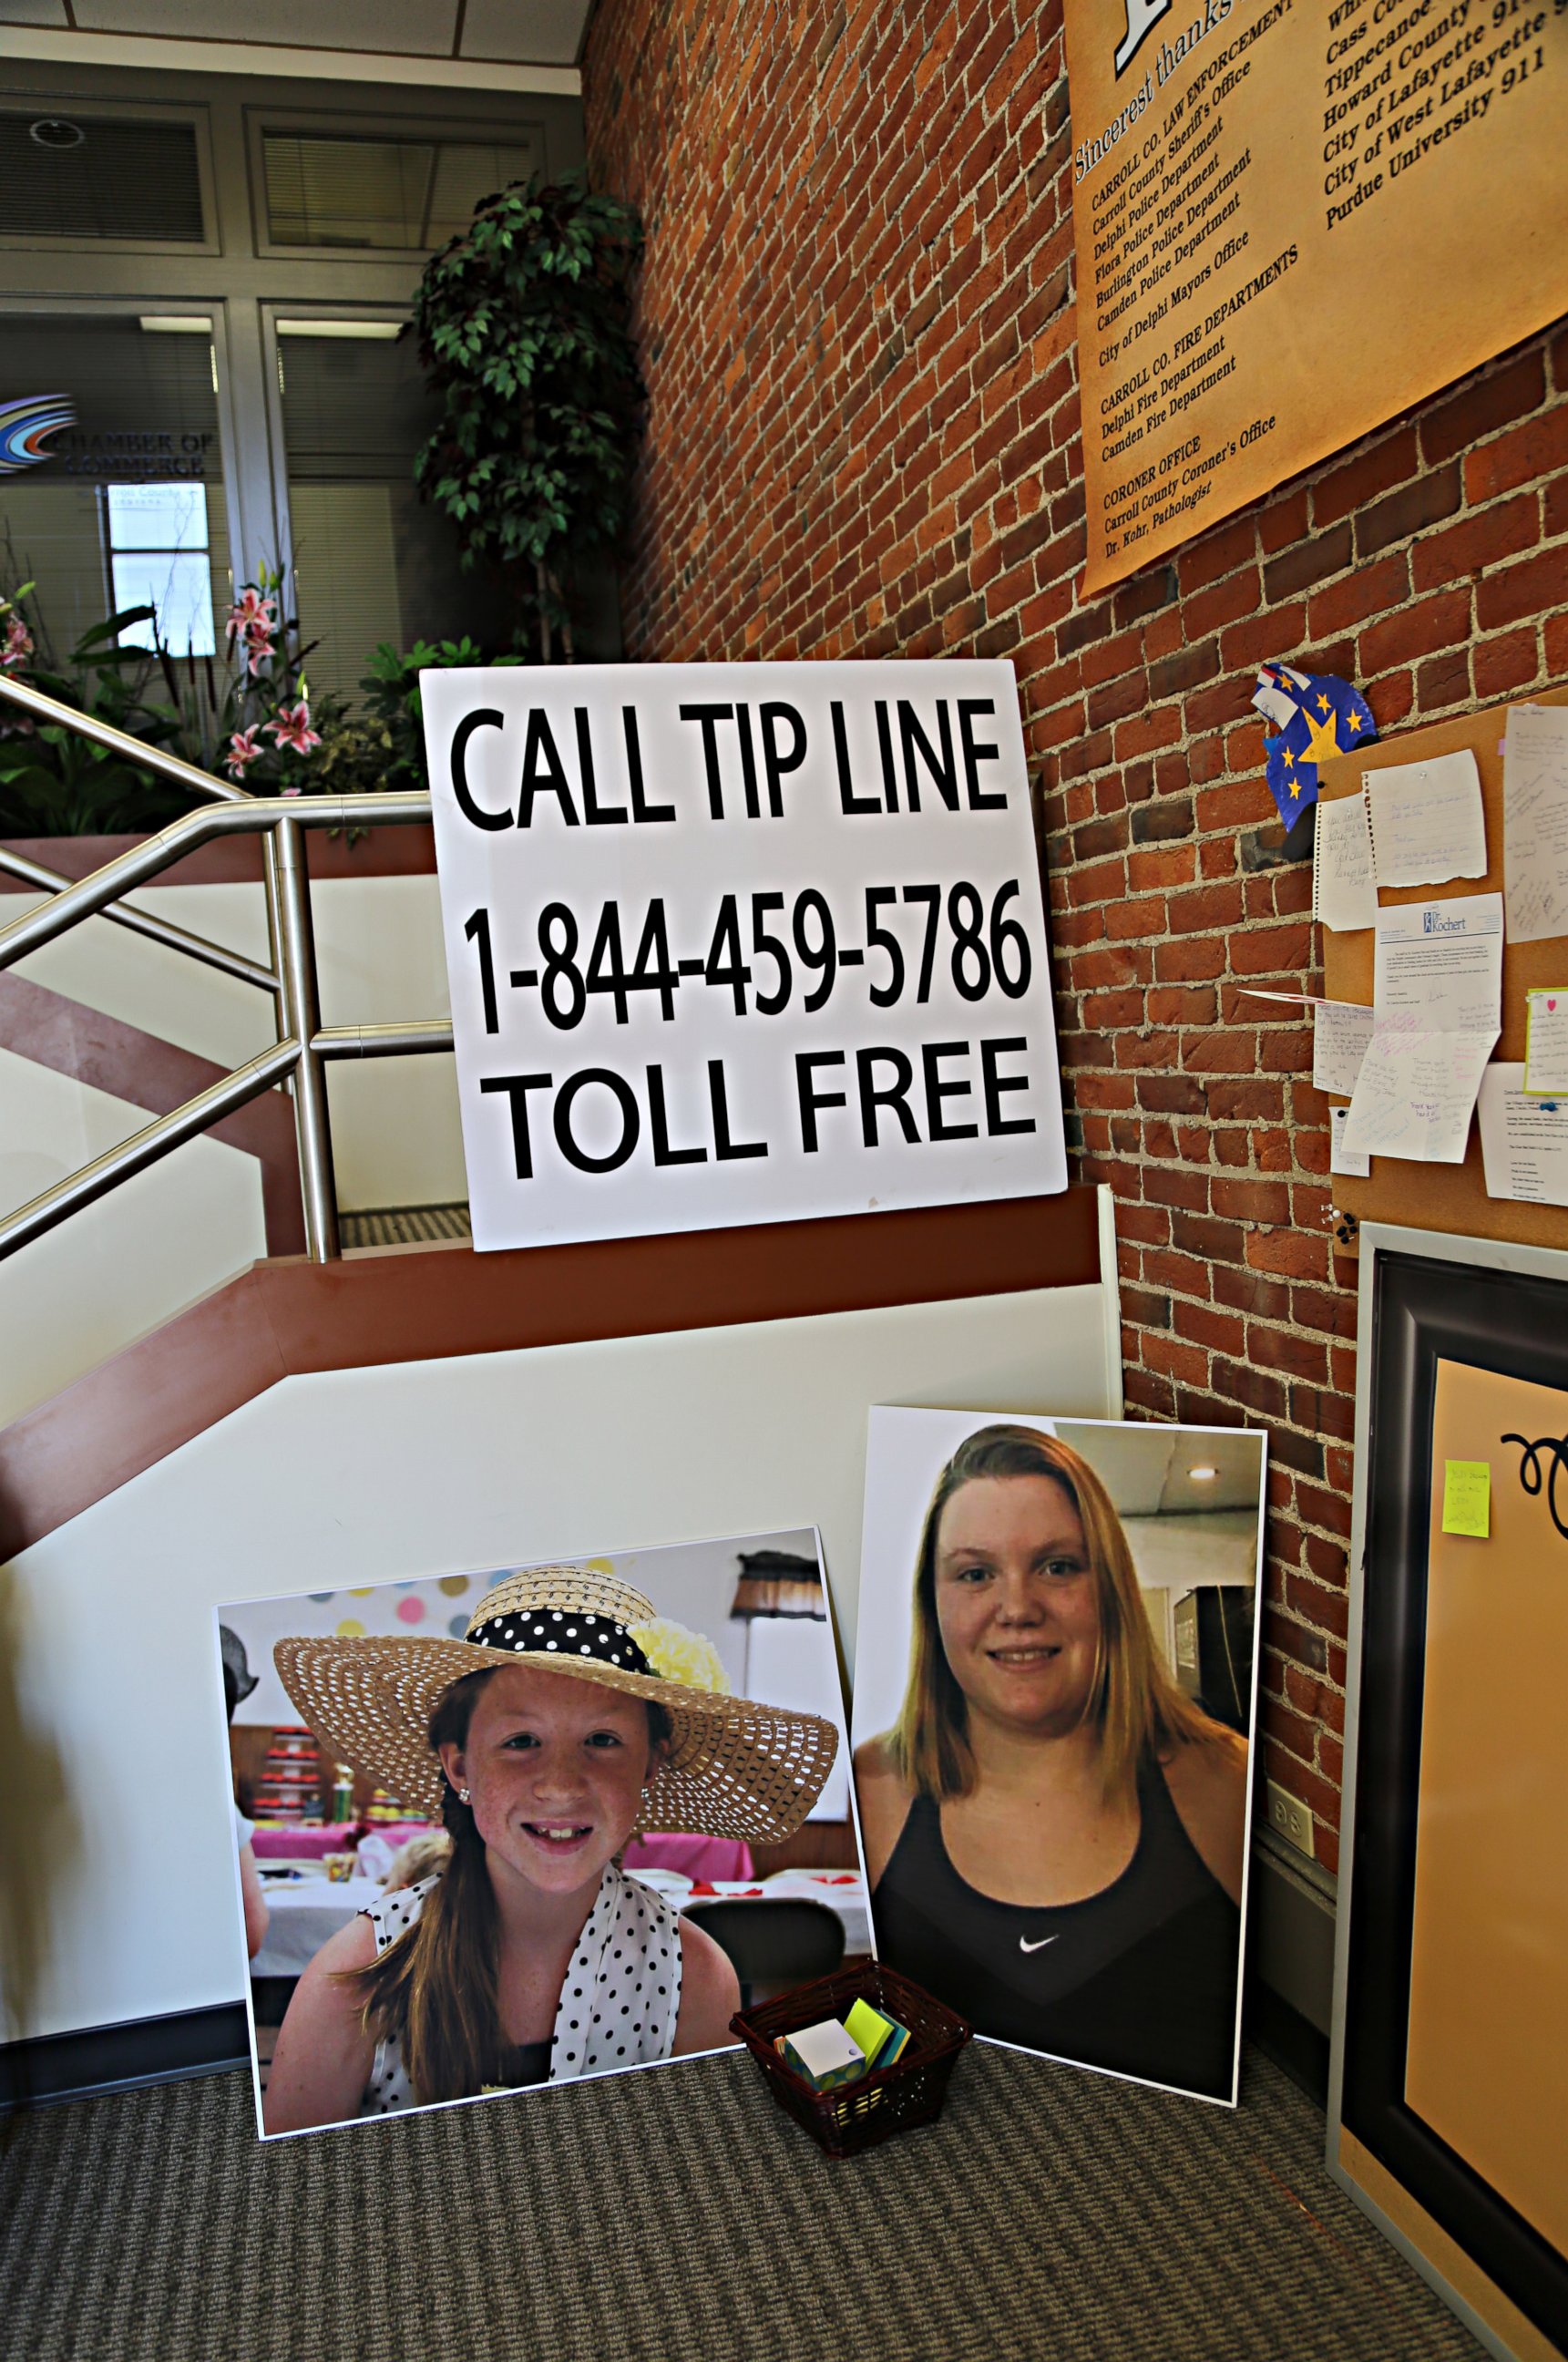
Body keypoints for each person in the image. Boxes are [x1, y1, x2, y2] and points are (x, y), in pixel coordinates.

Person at [261, 1566, 839, 2133]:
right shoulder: (361, 1974)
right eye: (521, 1742)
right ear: (460, 1764)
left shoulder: (695, 1978)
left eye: (602, 1740)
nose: (561, 1785)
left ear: (649, 1766)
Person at [854, 1425, 1250, 2098]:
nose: (1017, 1608)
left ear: (1111, 1592)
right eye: (976, 1574)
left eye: (1057, 1566)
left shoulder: (1225, 1780)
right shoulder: (869, 1793)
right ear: (933, 1603)